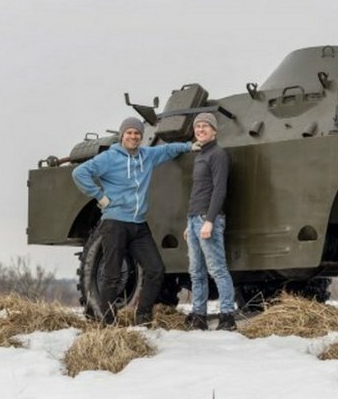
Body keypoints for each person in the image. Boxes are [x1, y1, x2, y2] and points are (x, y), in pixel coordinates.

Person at [73, 116, 194, 325]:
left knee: (156, 269)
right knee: (112, 275)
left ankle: (142, 316)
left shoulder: (146, 155)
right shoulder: (110, 158)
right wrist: (100, 197)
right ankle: (107, 322)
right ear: (122, 136)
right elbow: (79, 172)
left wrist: (190, 146)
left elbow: (167, 150)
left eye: (137, 133)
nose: (133, 136)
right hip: (114, 224)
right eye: (129, 133)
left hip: (138, 225)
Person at [184, 112, 236, 331]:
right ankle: (199, 316)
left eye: (205, 126)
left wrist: (210, 220)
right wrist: (189, 224)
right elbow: (198, 191)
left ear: (214, 131)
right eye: (198, 126)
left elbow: (219, 190)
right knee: (196, 272)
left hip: (207, 219)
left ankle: (227, 317)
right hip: (194, 219)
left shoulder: (218, 154)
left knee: (218, 270)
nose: (201, 129)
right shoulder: (200, 155)